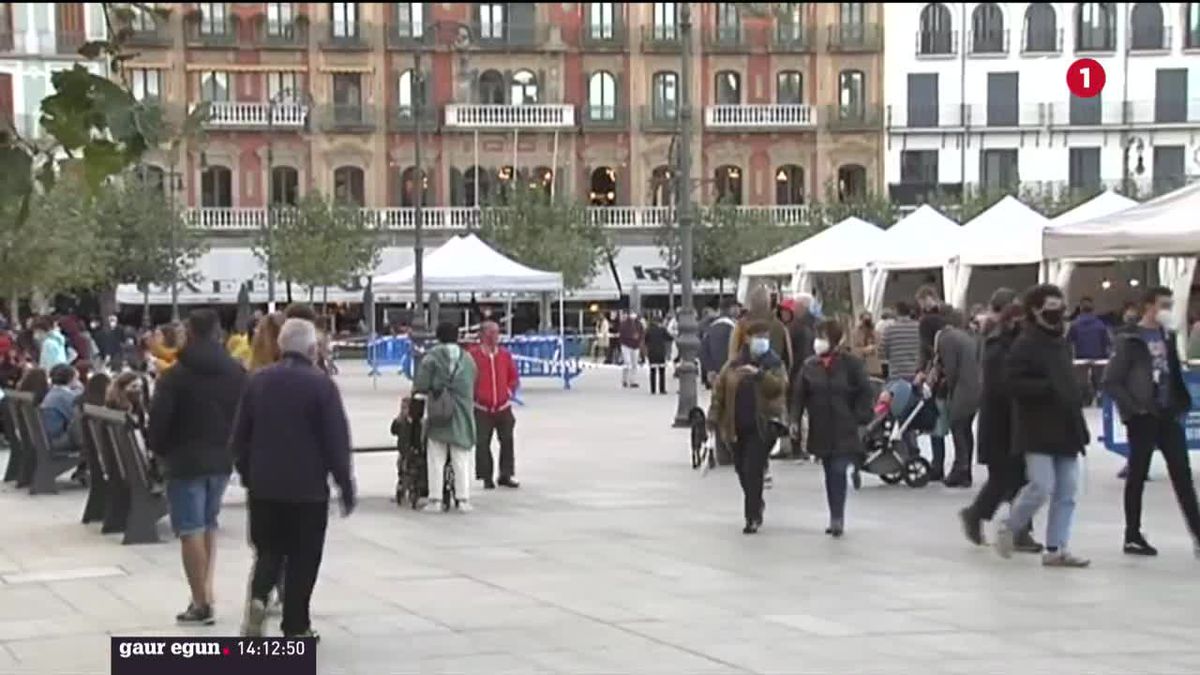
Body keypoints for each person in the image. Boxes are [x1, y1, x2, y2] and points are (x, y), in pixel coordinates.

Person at [234, 318, 355, 639]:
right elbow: (335, 440)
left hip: (264, 487)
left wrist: (249, 474)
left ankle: (259, 598)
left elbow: (239, 438)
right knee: (303, 558)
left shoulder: (257, 382)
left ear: (280, 346)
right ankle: (296, 625)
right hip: (307, 489)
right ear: (313, 349)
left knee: (269, 551)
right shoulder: (321, 385)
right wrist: (344, 484)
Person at [147, 309, 248, 626]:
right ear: (218, 332)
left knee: (190, 528)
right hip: (221, 457)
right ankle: (205, 590)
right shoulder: (235, 372)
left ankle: (201, 601)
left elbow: (158, 425)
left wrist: (160, 449)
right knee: (207, 523)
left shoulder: (175, 375)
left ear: (189, 333)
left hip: (184, 458)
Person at [995, 284, 1091, 568]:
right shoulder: (1024, 344)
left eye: (1060, 308)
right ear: (1035, 311)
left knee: (1067, 490)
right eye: (1050, 309)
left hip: (1067, 427)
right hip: (1036, 428)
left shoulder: (1061, 342)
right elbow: (1011, 383)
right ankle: (1010, 525)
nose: (1057, 314)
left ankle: (1056, 547)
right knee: (1041, 485)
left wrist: (1077, 391)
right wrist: (1048, 388)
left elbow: (1068, 381)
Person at [1104, 286, 1200, 558]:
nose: (1168, 310)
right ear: (1148, 306)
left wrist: (1180, 402)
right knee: (1137, 474)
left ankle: (1197, 532)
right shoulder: (1130, 340)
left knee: (1182, 474)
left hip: (1167, 413)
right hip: (1143, 416)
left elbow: (1172, 370)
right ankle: (1132, 533)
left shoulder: (1167, 336)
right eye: (1163, 304)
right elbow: (1112, 380)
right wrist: (1133, 409)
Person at [959, 289, 1044, 553]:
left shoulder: (1011, 344)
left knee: (1015, 479)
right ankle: (983, 517)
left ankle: (1002, 524)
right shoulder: (997, 346)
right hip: (1000, 424)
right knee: (1007, 478)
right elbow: (1000, 387)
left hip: (1014, 423)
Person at [792, 319, 873, 538]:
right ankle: (834, 511)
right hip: (821, 427)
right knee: (830, 472)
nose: (818, 342)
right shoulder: (810, 366)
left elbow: (865, 392)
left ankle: (838, 518)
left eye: (823, 337)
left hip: (845, 425)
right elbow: (799, 395)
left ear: (835, 340)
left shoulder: (851, 364)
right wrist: (795, 420)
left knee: (837, 469)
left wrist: (860, 418)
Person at [708, 320, 788, 534]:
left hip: (762, 426)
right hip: (736, 426)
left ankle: (752, 516)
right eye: (757, 337)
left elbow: (779, 388)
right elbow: (719, 391)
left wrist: (759, 375)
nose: (761, 341)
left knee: (753, 469)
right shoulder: (733, 364)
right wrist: (713, 417)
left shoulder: (773, 363)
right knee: (742, 470)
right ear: (748, 339)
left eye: (764, 337)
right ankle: (756, 501)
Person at [412, 321, 478, 513]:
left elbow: (421, 384)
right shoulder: (467, 359)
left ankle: (435, 500)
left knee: (436, 457)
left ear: (438, 336)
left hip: (438, 412)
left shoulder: (431, 358)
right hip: (462, 413)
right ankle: (463, 499)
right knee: (461, 457)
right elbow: (474, 380)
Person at [932, 309, 982, 487]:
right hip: (976, 387)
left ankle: (960, 469)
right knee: (966, 429)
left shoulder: (947, 338)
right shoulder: (968, 337)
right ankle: (966, 469)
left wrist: (946, 387)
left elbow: (951, 369)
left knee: (958, 427)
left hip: (962, 389)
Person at [470, 321, 520, 490]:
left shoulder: (505, 355)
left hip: (503, 407)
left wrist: (509, 392)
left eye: (497, 332)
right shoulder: (474, 355)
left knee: (507, 440)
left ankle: (506, 474)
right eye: (491, 332)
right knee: (482, 443)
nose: (495, 336)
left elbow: (513, 376)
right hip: (482, 408)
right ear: (483, 335)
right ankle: (486, 476)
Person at [1068, 297, 1111, 405]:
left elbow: (1069, 340)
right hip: (1099, 358)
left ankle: (1085, 400)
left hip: (1080, 358)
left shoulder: (1075, 324)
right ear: (1093, 309)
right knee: (1099, 381)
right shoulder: (1100, 324)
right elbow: (1107, 341)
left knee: (1082, 382)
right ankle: (1100, 399)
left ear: (1081, 309)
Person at [40, 364, 81, 454]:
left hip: (46, 438)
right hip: (57, 440)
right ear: (71, 379)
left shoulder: (53, 393)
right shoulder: (65, 396)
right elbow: (75, 417)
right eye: (77, 379)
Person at [701, 299, 738, 388]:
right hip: (731, 373)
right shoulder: (733, 329)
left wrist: (710, 369)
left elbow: (703, 350)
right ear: (731, 309)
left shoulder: (712, 328)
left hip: (716, 374)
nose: (738, 310)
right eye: (737, 307)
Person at [881, 301, 921, 381]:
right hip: (916, 374)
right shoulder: (919, 328)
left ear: (896, 312)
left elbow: (882, 353)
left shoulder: (889, 330)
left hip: (896, 374)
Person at [643, 313, 673, 395]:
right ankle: (662, 389)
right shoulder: (662, 330)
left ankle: (653, 389)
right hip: (661, 352)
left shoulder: (649, 329)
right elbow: (669, 338)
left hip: (652, 352)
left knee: (652, 371)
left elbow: (645, 340)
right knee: (662, 372)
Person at [851, 312, 883, 378]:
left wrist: (874, 347)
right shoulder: (855, 333)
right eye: (865, 320)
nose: (866, 323)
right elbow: (852, 349)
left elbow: (880, 347)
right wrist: (863, 350)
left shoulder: (876, 333)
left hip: (873, 368)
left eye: (868, 320)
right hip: (859, 367)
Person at [618, 311, 645, 389]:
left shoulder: (639, 324)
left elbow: (642, 333)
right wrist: (632, 337)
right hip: (626, 345)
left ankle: (632, 381)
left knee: (634, 364)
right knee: (627, 363)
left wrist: (639, 340)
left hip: (635, 346)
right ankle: (624, 380)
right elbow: (622, 334)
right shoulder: (624, 324)